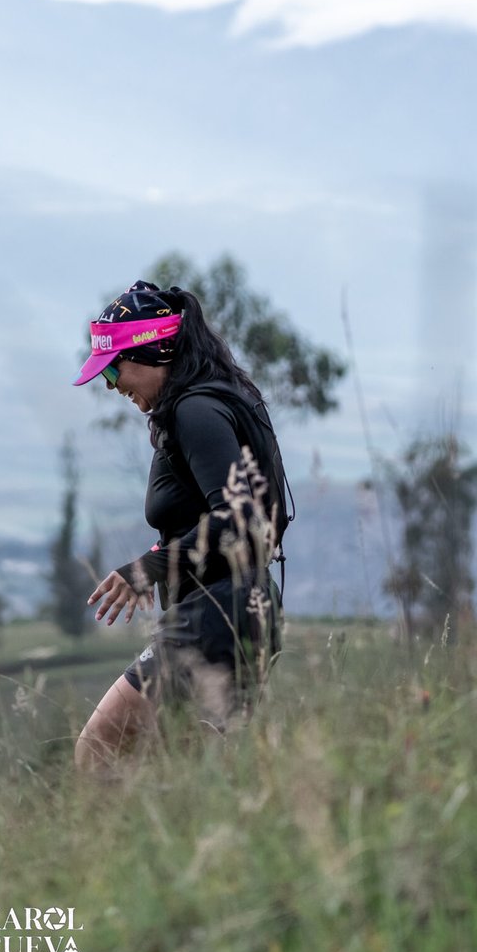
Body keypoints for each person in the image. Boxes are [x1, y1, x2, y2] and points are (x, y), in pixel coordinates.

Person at [69, 281, 294, 772]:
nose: (111, 386)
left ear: (152, 351)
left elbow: (239, 517)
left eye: (113, 369)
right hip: (238, 608)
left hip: (218, 612)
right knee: (191, 776)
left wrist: (148, 568)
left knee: (96, 751)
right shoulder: (208, 403)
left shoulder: (195, 410)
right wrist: (166, 554)